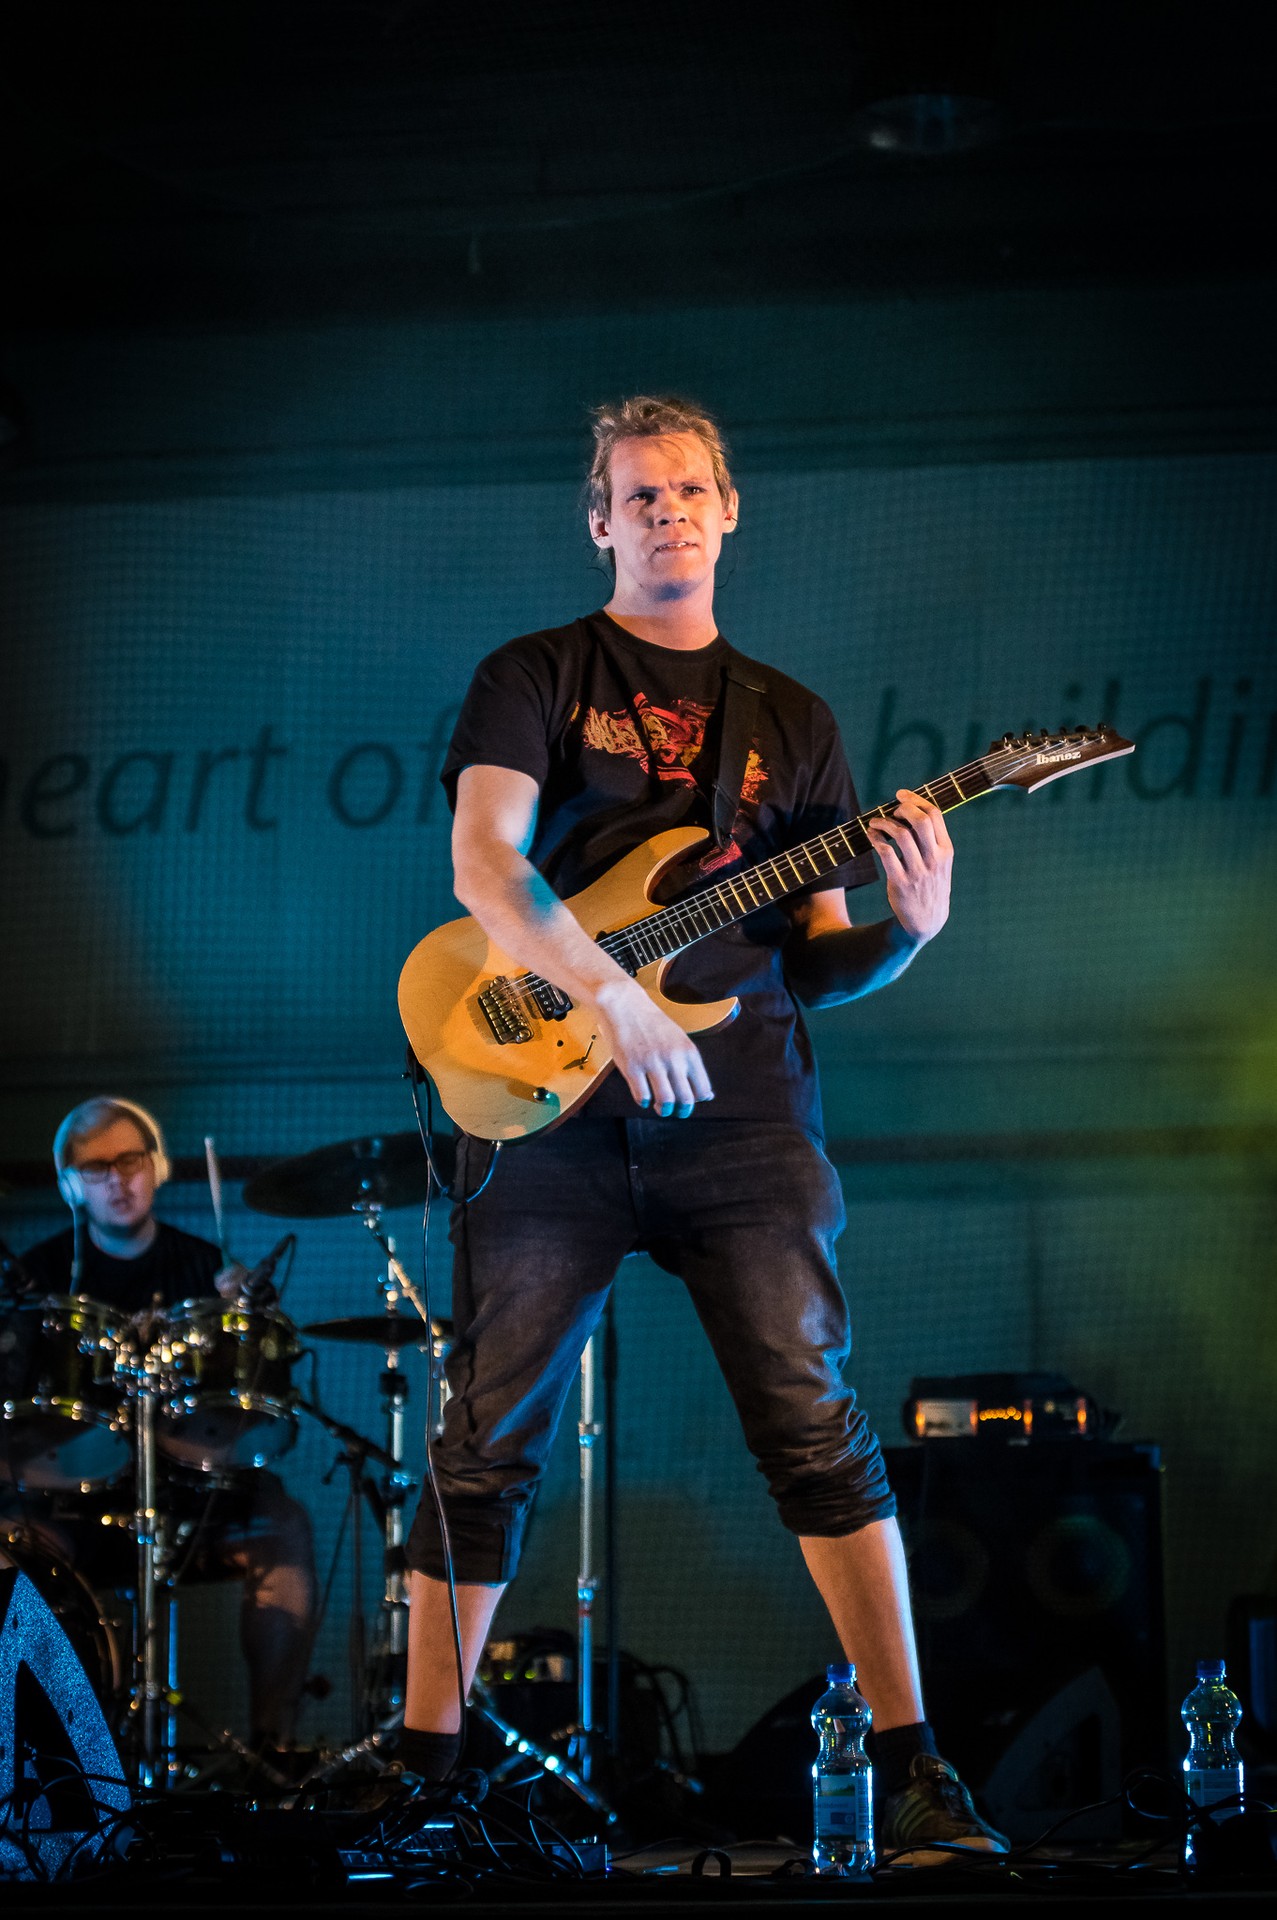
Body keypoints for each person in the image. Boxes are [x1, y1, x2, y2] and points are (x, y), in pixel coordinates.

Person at [399, 395, 1006, 1860]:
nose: (666, 511)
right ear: (598, 522)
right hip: (547, 1100)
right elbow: (485, 866)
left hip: (740, 1111)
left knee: (813, 1420)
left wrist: (908, 935)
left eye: (688, 490)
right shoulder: (535, 675)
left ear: (728, 512)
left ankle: (912, 1766)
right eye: (638, 494)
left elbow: (815, 955)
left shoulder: (790, 720)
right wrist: (611, 999)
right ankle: (418, 1780)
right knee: (485, 1437)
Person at [4, 1096, 319, 1751]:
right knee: (7, 1545)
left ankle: (275, 1749)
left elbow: (245, 1394)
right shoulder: (38, 1280)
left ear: (157, 1167)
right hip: (76, 1506)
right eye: (96, 1168)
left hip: (193, 1499)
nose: (117, 1180)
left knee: (284, 1526)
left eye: (130, 1160)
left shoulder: (210, 1270)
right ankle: (56, 1759)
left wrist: (250, 1319)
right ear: (70, 1185)